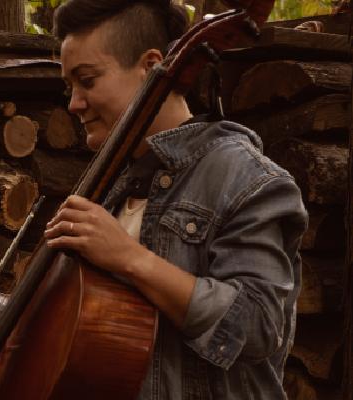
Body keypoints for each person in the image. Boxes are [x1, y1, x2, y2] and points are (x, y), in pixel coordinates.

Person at [42, 0, 308, 398]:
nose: (74, 103)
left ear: (150, 66)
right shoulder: (112, 184)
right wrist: (29, 336)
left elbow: (258, 325)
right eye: (70, 86)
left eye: (88, 80)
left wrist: (130, 257)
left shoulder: (244, 176)